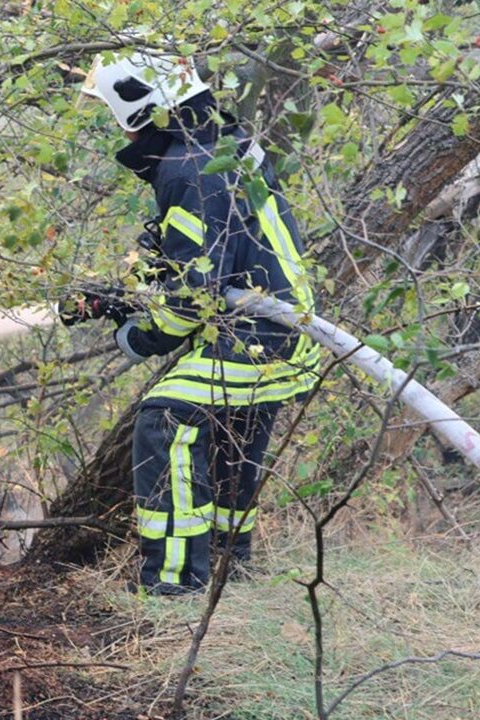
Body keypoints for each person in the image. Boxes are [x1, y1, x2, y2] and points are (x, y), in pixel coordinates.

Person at [62, 50, 320, 594]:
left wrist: (138, 334)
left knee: (165, 418)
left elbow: (189, 301)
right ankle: (231, 562)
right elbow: (216, 262)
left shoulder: (187, 169)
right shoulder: (218, 144)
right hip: (279, 332)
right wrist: (132, 292)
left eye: (115, 112)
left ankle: (174, 586)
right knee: (231, 428)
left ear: (142, 109)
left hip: (260, 337)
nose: (116, 127)